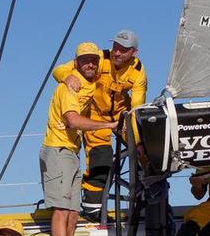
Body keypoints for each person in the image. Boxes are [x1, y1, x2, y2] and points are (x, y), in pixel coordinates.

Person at [40, 42, 117, 236]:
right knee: (61, 209)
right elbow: (72, 120)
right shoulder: (68, 87)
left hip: (72, 151)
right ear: (76, 63)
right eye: (85, 60)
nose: (91, 64)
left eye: (94, 60)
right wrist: (110, 125)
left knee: (73, 213)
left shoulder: (91, 81)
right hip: (58, 149)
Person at [51, 29, 147, 222]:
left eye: (123, 50)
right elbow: (59, 69)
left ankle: (145, 203)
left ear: (134, 53)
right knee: (101, 160)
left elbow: (137, 109)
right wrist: (66, 77)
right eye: (116, 47)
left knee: (144, 153)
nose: (117, 53)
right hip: (95, 116)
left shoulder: (138, 73)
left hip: (123, 116)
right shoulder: (98, 59)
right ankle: (92, 209)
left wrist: (136, 142)